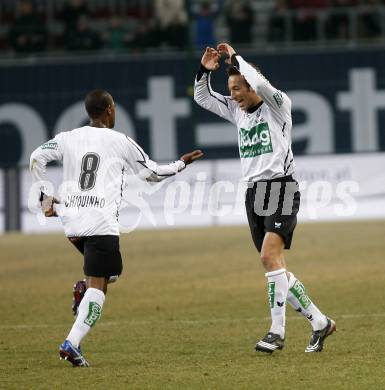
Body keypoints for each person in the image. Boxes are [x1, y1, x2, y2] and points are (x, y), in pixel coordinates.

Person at [29, 89, 203, 366]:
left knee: (109, 274)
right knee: (101, 286)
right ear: (110, 109)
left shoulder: (67, 138)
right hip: (99, 222)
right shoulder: (120, 141)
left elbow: (36, 159)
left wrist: (45, 196)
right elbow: (153, 174)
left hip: (71, 222)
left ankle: (82, 291)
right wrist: (182, 163)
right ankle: (71, 344)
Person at [194, 43, 336, 353]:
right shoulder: (236, 111)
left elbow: (259, 83)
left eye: (237, 88)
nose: (233, 95)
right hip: (253, 192)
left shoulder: (278, 105)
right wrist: (205, 71)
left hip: (282, 187)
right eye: (230, 89)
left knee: (268, 256)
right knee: (275, 266)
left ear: (248, 82)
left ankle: (277, 330)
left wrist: (235, 59)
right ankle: (320, 322)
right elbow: (202, 97)